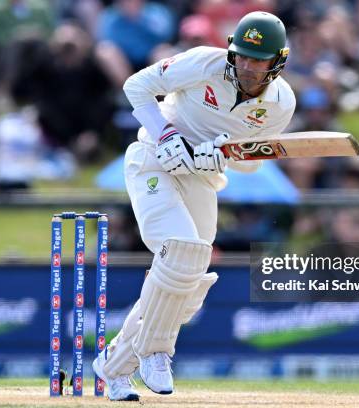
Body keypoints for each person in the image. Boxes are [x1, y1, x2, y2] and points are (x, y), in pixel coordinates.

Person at [92, 11, 295, 401]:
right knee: (181, 252)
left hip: (201, 178)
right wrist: (167, 135)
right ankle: (155, 351)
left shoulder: (281, 103)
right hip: (153, 159)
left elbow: (251, 162)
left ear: (278, 61)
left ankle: (114, 367)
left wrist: (219, 155)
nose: (249, 67)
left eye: (259, 59)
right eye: (243, 56)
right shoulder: (205, 62)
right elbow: (137, 85)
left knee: (188, 279)